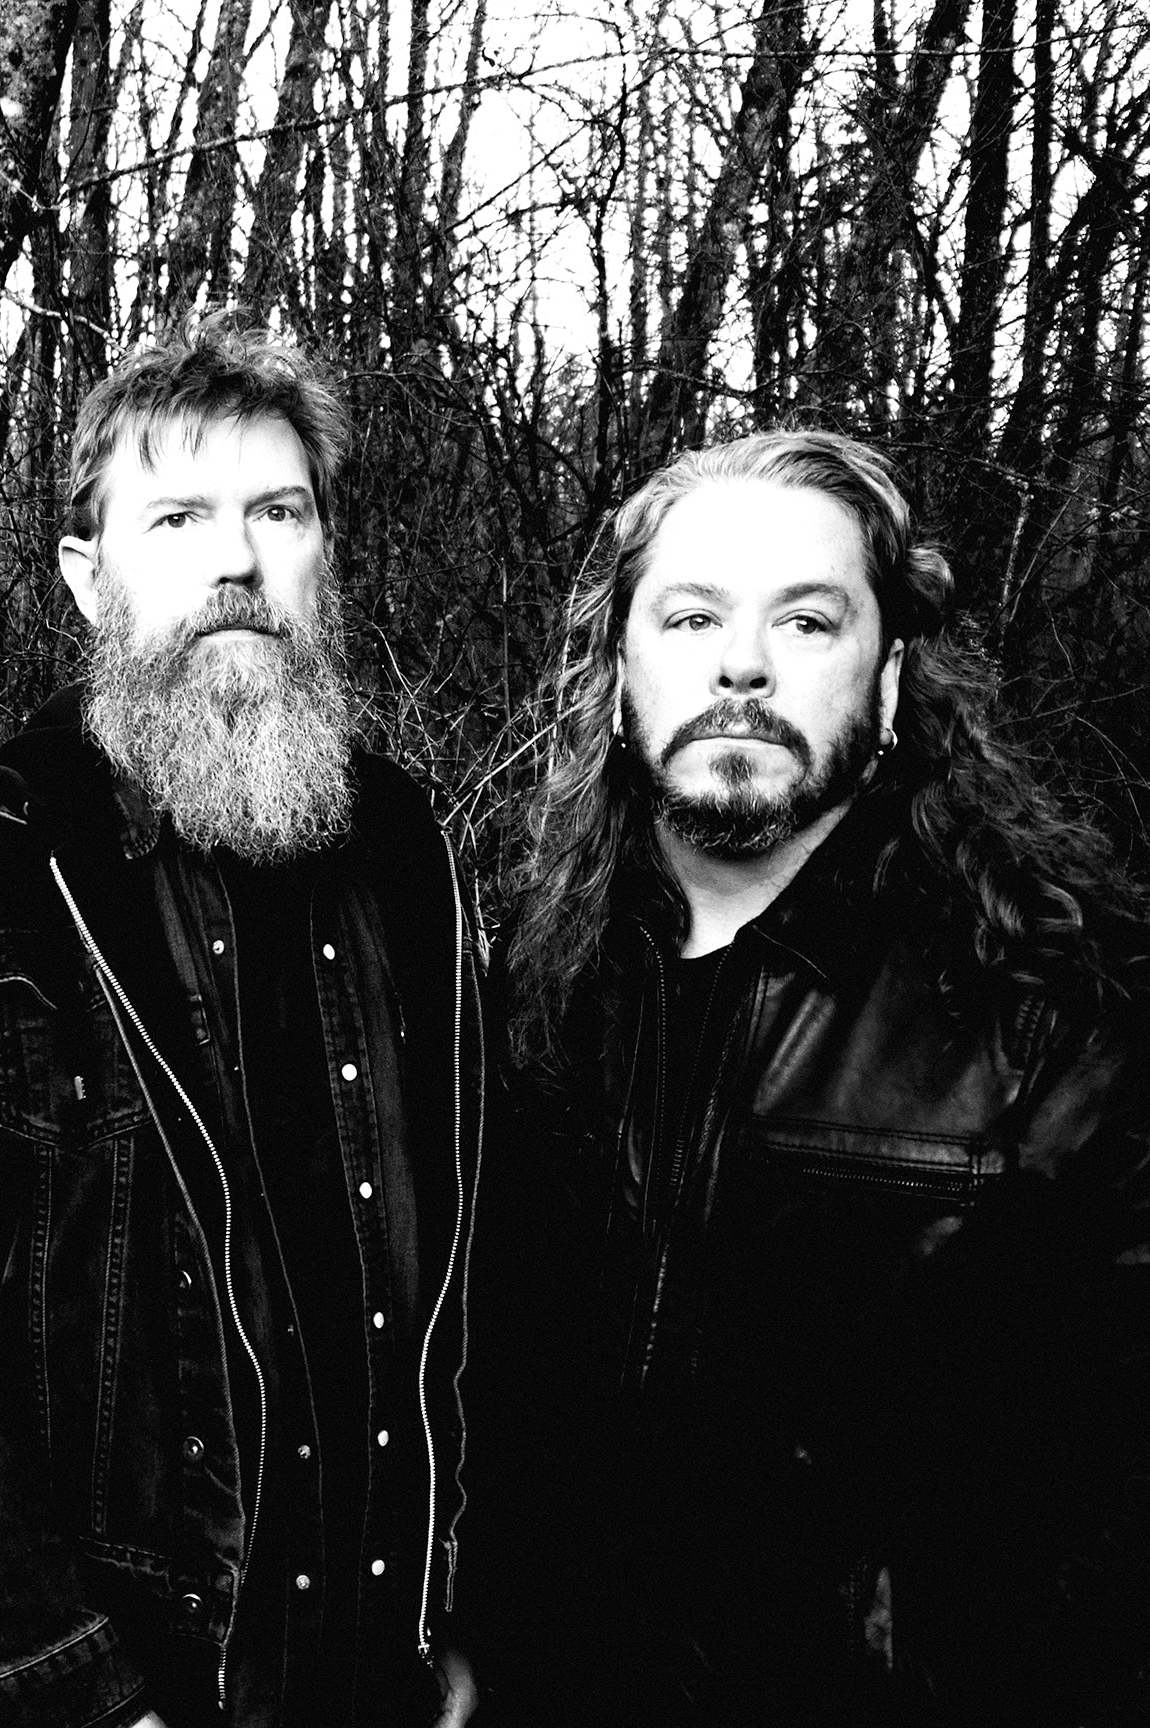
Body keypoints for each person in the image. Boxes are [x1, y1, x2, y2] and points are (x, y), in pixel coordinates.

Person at [0, 324, 485, 1728]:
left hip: (377, 1677)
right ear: (88, 577)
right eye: (178, 519)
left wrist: (455, 1613)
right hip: (129, 1687)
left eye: (278, 513)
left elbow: (469, 1265)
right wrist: (82, 1694)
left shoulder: (410, 855)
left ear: (323, 555)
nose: (235, 561)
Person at [490, 428, 1150, 1724]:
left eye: (805, 621)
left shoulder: (1068, 1025)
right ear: (616, 680)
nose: (741, 664)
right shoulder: (517, 998)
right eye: (692, 618)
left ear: (890, 684)